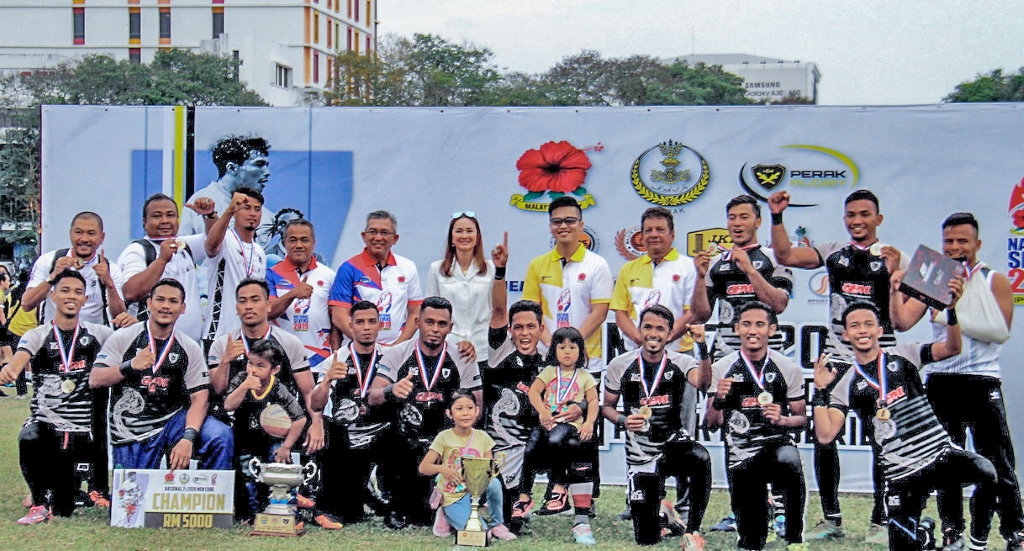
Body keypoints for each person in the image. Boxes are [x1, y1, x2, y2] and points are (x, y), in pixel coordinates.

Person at [769, 189, 905, 542]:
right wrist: (777, 216)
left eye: (864, 214)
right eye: (851, 215)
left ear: (878, 219)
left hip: (878, 364)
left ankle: (881, 520)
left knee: (883, 441)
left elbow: (903, 320)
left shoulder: (894, 256)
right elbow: (785, 255)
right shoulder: (833, 251)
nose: (857, 221)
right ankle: (831, 519)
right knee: (824, 438)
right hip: (837, 362)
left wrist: (895, 277)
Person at [812, 301, 997, 551]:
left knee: (987, 472)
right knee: (903, 545)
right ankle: (924, 537)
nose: (862, 330)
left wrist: (952, 314)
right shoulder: (847, 383)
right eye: (854, 326)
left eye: (868, 324)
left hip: (938, 456)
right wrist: (820, 390)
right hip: (900, 475)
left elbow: (952, 348)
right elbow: (826, 435)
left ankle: (976, 546)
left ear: (880, 330)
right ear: (845, 335)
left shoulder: (905, 354)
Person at [889, 212, 1024, 551]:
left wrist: (954, 308)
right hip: (941, 380)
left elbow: (999, 332)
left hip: (982, 381)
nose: (954, 247)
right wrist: (894, 289)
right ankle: (952, 530)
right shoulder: (933, 276)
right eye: (948, 240)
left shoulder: (993, 280)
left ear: (977, 244)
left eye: (962, 240)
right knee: (944, 462)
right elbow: (902, 323)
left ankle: (1015, 532)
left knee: (999, 462)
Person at [206, 277, 325, 522]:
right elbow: (217, 390)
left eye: (255, 300)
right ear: (236, 307)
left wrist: (317, 423)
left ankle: (313, 504)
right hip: (238, 426)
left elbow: (307, 391)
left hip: (278, 426)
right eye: (242, 301)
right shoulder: (223, 344)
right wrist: (226, 361)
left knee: (325, 432)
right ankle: (237, 504)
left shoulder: (288, 342)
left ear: (268, 305)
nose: (248, 306)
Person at [0, 270, 114, 524]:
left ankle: (72, 491)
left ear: (85, 299)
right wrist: (11, 369)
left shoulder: (99, 334)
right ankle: (39, 504)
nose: (71, 296)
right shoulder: (38, 335)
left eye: (77, 292)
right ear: (52, 296)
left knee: (65, 507)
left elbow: (130, 344)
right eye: (65, 291)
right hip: (46, 426)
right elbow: (19, 358)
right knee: (28, 435)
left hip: (82, 432)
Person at [88, 278, 233, 472]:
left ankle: (212, 490)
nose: (166, 306)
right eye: (160, 300)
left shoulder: (189, 347)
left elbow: (200, 398)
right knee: (132, 490)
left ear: (182, 308)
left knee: (219, 435)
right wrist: (129, 366)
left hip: (173, 422)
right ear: (149, 303)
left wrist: (188, 437)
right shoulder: (124, 337)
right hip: (133, 428)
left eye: (173, 301)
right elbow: (95, 379)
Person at [602, 305, 712, 549]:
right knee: (646, 539)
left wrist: (702, 347)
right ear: (640, 330)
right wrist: (623, 421)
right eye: (648, 327)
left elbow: (704, 384)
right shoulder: (620, 364)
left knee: (700, 457)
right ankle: (664, 515)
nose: (653, 334)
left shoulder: (682, 361)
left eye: (660, 329)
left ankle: (692, 531)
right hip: (640, 455)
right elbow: (607, 407)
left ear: (670, 334)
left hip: (672, 446)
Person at [368, 296, 482, 530]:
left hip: (444, 440)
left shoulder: (463, 357)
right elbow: (373, 396)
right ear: (417, 322)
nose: (435, 329)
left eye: (442, 324)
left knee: (425, 515)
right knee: (390, 435)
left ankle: (442, 499)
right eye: (429, 322)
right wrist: (391, 390)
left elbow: (477, 408)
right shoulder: (397, 353)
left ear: (450, 327)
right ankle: (395, 503)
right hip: (404, 440)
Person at [708, 301, 807, 551]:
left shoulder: (787, 368)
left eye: (760, 324)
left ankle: (795, 536)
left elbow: (801, 420)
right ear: (736, 328)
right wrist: (719, 399)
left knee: (790, 460)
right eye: (747, 324)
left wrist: (782, 420)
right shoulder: (721, 368)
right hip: (741, 455)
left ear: (771, 330)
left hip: (776, 446)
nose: (753, 331)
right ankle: (761, 519)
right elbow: (710, 424)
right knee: (751, 542)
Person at [310, 301, 391, 528]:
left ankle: (394, 502)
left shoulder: (391, 356)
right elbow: (315, 405)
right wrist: (327, 380)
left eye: (372, 322)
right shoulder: (335, 360)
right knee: (350, 514)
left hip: (381, 432)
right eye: (360, 322)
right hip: (347, 437)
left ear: (380, 325)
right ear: (351, 325)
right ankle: (335, 504)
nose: (366, 327)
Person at [524, 327, 601, 545]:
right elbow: (533, 392)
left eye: (572, 347)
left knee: (557, 439)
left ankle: (560, 485)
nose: (567, 352)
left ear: (581, 351)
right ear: (554, 351)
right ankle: (523, 496)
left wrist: (589, 422)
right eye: (562, 347)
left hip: (570, 425)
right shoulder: (549, 372)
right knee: (529, 449)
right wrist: (542, 411)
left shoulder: (585, 376)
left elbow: (593, 401)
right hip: (549, 422)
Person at [523, 196, 612, 371]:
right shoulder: (537, 265)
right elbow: (532, 313)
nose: (563, 226)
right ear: (550, 226)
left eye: (570, 220)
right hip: (546, 357)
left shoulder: (597, 264)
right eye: (557, 221)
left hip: (587, 358)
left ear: (581, 225)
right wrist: (552, 345)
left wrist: (571, 344)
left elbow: (600, 312)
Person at [224, 338, 306, 525]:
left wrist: (286, 447)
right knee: (247, 475)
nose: (253, 369)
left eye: (260, 366)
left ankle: (289, 510)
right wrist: (244, 386)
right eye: (250, 363)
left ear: (274, 369)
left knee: (281, 470)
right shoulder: (241, 380)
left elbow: (299, 418)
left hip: (272, 441)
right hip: (245, 440)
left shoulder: (278, 389)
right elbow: (228, 405)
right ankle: (253, 514)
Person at [418, 391, 517, 541]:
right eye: (459, 409)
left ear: (476, 410)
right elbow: (424, 467)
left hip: (474, 491)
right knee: (483, 535)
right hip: (453, 495)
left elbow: (489, 470)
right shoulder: (443, 437)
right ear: (449, 413)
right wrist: (443, 470)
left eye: (470, 408)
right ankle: (445, 513)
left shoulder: (483, 437)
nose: (465, 413)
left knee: (494, 483)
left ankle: (498, 524)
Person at [117, 193, 216, 341]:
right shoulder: (137, 250)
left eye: (170, 215)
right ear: (144, 222)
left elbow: (215, 240)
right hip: (149, 345)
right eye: (157, 216)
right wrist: (162, 260)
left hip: (189, 347)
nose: (165, 221)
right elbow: (130, 293)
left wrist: (209, 215)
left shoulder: (185, 245)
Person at [330, 210, 423, 346]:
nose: (378, 237)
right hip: (357, 349)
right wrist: (367, 346)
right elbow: (339, 316)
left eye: (384, 232)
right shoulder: (348, 268)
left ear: (395, 238)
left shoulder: (408, 267)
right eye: (373, 232)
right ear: (364, 236)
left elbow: (415, 314)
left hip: (397, 351)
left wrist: (396, 347)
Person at [24, 212, 128, 326]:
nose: (84, 239)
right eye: (78, 232)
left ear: (102, 237)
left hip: (93, 336)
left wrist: (109, 284)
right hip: (53, 335)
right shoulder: (49, 261)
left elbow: (120, 317)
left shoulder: (111, 269)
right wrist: (53, 276)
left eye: (91, 233)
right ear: (70, 234)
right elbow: (26, 304)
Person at [267, 218, 337, 370]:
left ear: (313, 243)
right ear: (284, 242)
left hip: (320, 362)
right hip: (279, 362)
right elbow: (267, 312)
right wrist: (292, 294)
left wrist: (336, 357)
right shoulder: (270, 274)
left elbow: (336, 323)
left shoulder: (329, 276)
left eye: (304, 240)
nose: (299, 245)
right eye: (293, 240)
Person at [426, 211, 494, 364]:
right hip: (448, 346)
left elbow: (496, 310)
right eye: (459, 231)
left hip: (483, 349)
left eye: (469, 231)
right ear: (451, 237)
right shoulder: (436, 269)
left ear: (477, 237)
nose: (464, 236)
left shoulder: (491, 268)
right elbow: (430, 312)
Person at [180, 135, 276, 244]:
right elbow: (213, 246)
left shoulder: (267, 216)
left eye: (266, 165)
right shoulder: (202, 202)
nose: (267, 172)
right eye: (259, 164)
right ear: (232, 168)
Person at [203, 189, 268, 348]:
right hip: (220, 333)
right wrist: (229, 210)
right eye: (246, 208)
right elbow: (211, 246)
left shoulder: (259, 252)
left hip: (251, 336)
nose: (252, 213)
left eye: (257, 209)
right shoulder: (224, 240)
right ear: (235, 212)